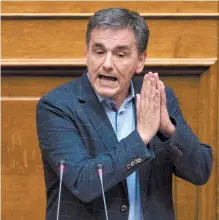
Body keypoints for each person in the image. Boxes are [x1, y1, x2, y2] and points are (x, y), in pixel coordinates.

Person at [36, 8, 212, 220]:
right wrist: (142, 137)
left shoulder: (156, 98)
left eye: (120, 54)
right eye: (99, 52)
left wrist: (169, 130)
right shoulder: (57, 106)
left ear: (140, 60)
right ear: (87, 53)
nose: (107, 64)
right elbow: (83, 182)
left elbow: (200, 171)